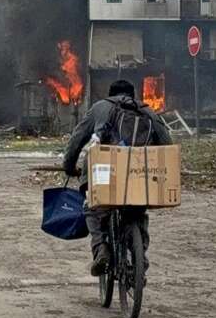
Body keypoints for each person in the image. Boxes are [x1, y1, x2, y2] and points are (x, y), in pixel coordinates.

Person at [63, 79, 172, 277]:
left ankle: (101, 249)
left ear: (110, 93)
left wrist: (68, 166)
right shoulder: (147, 111)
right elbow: (167, 144)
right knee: (138, 212)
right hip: (138, 174)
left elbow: (77, 138)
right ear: (133, 94)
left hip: (105, 171)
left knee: (93, 208)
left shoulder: (100, 107)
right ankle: (140, 258)